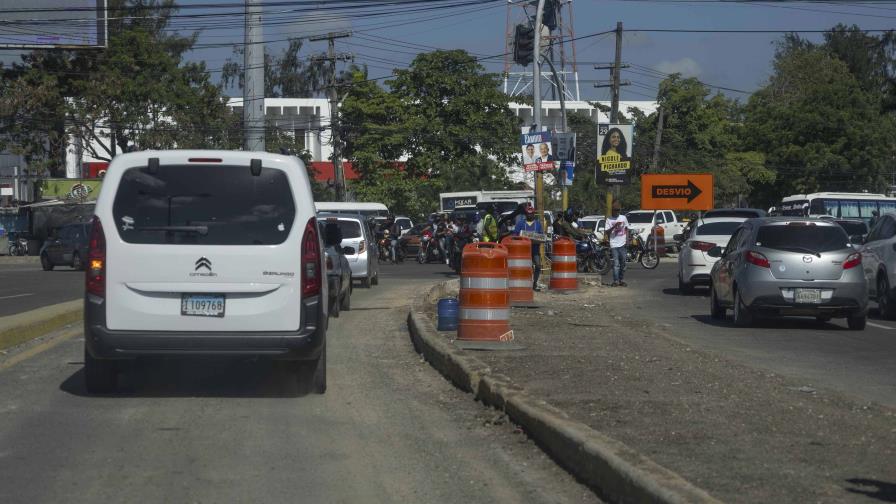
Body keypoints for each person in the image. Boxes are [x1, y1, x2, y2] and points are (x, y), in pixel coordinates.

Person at [513, 204, 544, 291]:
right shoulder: (520, 223)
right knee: (527, 267)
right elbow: (515, 235)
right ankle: (526, 284)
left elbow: (541, 236)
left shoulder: (538, 224)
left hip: (535, 249)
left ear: (534, 214)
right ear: (526, 214)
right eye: (528, 214)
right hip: (524, 251)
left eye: (531, 214)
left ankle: (535, 283)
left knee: (538, 265)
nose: (529, 215)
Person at [605, 201, 629, 287]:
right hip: (614, 244)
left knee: (623, 263)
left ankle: (621, 279)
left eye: (619, 210)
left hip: (622, 244)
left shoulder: (623, 218)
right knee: (616, 264)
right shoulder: (609, 219)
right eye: (616, 210)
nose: (617, 211)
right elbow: (607, 232)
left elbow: (627, 229)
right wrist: (614, 226)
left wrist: (627, 240)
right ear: (612, 210)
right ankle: (616, 281)